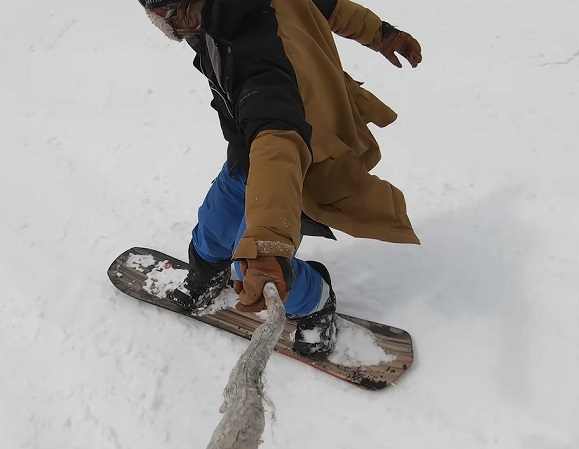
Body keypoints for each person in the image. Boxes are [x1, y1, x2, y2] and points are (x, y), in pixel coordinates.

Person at [137, 0, 422, 357]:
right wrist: (383, 34)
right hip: (248, 153)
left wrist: (267, 245)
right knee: (213, 226)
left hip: (300, 169)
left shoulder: (251, 49)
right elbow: (330, 8)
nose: (171, 29)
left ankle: (317, 304)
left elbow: (279, 141)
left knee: (256, 262)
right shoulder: (214, 21)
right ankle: (206, 273)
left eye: (167, 18)